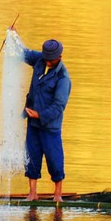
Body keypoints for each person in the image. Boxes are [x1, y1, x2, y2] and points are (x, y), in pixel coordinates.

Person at [21, 38, 71, 202]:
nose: (48, 62)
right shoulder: (40, 60)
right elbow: (25, 53)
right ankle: (32, 193)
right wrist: (13, 38)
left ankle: (57, 194)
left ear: (60, 57)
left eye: (51, 59)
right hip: (33, 124)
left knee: (54, 159)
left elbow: (58, 107)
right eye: (46, 58)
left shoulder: (63, 79)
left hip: (50, 127)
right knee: (32, 156)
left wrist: (39, 115)